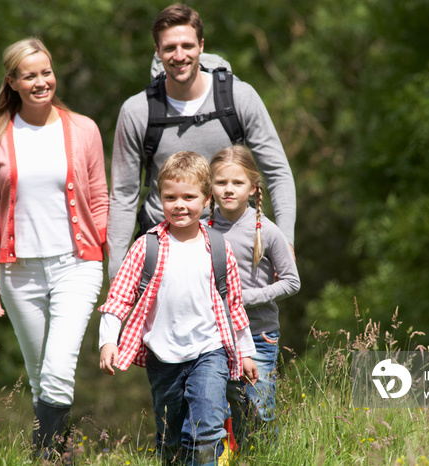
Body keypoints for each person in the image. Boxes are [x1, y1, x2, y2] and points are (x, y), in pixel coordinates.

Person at [0, 37, 108, 459]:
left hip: (77, 264)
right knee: (38, 378)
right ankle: (61, 452)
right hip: (18, 272)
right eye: (29, 75)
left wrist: (109, 257)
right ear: (12, 81)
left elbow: (102, 199)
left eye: (46, 72)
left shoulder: (83, 129)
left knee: (55, 372)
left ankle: (43, 457)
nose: (41, 82)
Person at [107, 3, 296, 279]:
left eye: (187, 45)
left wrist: (285, 242)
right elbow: (123, 194)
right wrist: (117, 271)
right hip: (165, 249)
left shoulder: (239, 98)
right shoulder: (137, 111)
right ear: (157, 52)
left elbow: (277, 172)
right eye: (170, 48)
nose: (179, 55)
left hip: (235, 246)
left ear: (201, 46)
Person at [98, 151, 259, 465]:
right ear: (160, 199)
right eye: (170, 197)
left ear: (207, 199)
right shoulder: (147, 246)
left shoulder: (218, 246)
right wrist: (107, 341)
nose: (180, 205)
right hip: (163, 355)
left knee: (208, 428)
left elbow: (233, 305)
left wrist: (245, 352)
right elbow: (118, 299)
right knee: (171, 437)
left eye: (189, 196)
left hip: (210, 350)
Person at [208, 145, 300, 446]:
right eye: (221, 183)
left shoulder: (267, 230)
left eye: (237, 183)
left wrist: (246, 297)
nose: (229, 190)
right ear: (210, 186)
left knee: (257, 410)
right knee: (213, 410)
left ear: (252, 187)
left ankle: (261, 457)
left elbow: (291, 282)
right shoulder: (200, 229)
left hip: (258, 334)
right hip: (211, 336)